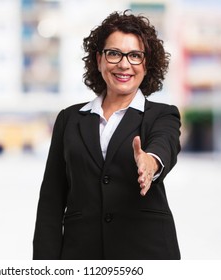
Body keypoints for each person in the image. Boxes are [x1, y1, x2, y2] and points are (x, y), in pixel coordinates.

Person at [33, 10, 181, 260]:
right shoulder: (69, 119)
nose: (124, 64)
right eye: (114, 54)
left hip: (147, 253)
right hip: (81, 255)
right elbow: (51, 199)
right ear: (99, 59)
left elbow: (163, 144)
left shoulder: (162, 115)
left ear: (147, 63)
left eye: (135, 55)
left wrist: (150, 163)